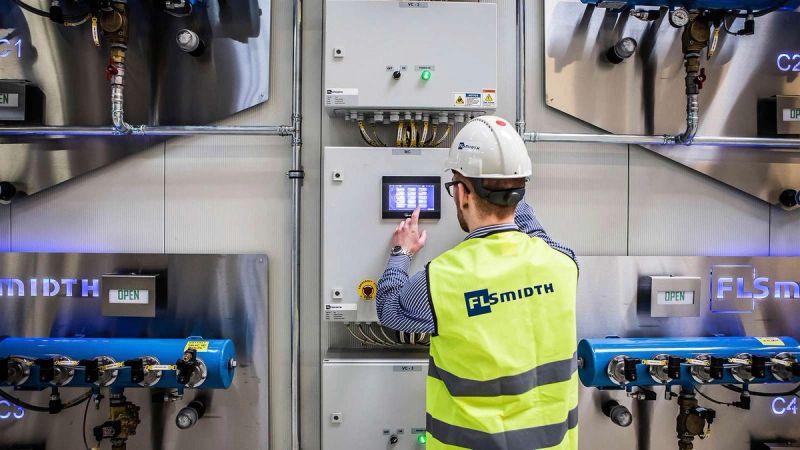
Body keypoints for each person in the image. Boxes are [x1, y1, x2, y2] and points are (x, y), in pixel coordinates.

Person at [376, 116, 579, 450]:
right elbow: (537, 235)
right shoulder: (563, 264)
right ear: (520, 190)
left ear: (463, 193)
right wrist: (508, 188)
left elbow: (389, 309)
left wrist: (401, 252)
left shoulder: (440, 280)